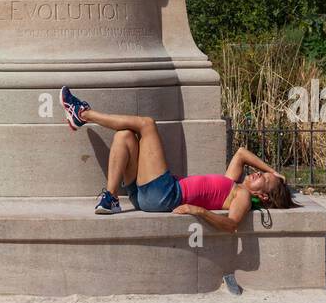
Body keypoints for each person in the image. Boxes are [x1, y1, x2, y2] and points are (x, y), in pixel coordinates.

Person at [60, 86, 295, 227]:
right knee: (125, 136)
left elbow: (232, 225)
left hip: (167, 195)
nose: (257, 173)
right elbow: (242, 154)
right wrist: (274, 172)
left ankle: (83, 113)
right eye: (262, 172)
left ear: (263, 196)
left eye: (263, 178)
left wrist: (198, 211)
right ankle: (110, 198)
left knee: (147, 124)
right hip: (146, 196)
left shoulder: (242, 196)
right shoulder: (232, 184)